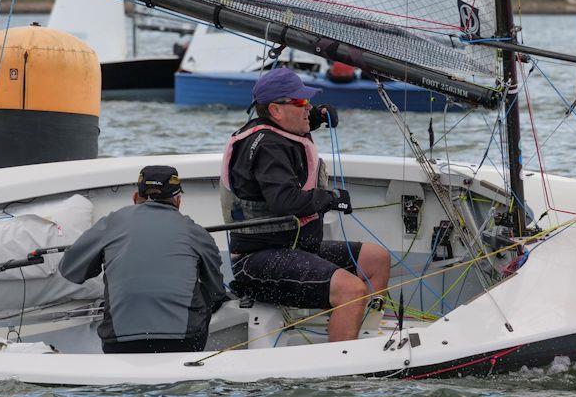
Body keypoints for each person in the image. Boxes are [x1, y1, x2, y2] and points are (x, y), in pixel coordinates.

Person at [221, 67, 390, 342]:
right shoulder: (268, 147)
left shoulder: (277, 128)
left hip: (295, 246)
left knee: (376, 259)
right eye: (301, 103)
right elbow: (284, 201)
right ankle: (342, 373)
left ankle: (367, 337)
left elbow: (294, 122)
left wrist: (316, 116)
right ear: (275, 110)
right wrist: (330, 198)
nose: (307, 107)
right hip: (259, 261)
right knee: (352, 290)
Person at [59, 165, 227, 353]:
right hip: (184, 341)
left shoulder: (112, 222)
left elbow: (70, 270)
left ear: (134, 198)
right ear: (178, 201)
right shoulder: (196, 232)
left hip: (118, 343)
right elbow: (216, 293)